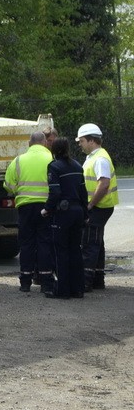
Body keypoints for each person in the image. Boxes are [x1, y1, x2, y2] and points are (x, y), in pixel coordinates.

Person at [3, 131, 54, 293]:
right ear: (45, 143)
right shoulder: (51, 160)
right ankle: (46, 281)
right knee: (44, 243)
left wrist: (20, 190)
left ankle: (25, 282)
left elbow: (8, 185)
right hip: (46, 208)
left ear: (29, 143)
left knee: (26, 244)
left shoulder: (19, 160)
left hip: (25, 208)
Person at [42, 138, 88, 300]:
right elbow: (83, 192)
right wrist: (86, 214)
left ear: (54, 150)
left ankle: (63, 290)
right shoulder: (77, 165)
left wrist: (47, 209)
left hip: (63, 214)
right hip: (78, 212)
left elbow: (55, 192)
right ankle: (78, 289)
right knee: (75, 249)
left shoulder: (54, 166)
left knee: (61, 251)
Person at [76, 123, 118, 291]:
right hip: (101, 206)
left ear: (91, 140)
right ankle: (98, 279)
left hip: (98, 206)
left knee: (89, 243)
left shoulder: (100, 159)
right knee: (96, 242)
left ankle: (85, 282)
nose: (80, 144)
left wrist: (91, 204)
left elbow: (104, 183)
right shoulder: (95, 156)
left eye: (82, 141)